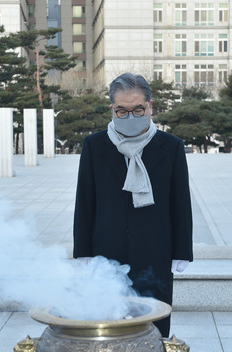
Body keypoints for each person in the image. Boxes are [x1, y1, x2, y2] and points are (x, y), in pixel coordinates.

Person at [73, 73, 193, 337]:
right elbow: (85, 200)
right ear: (112, 109)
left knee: (153, 328)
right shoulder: (95, 145)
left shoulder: (171, 146)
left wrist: (182, 250)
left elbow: (180, 202)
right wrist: (82, 250)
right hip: (105, 252)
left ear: (150, 106)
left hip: (155, 251)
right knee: (108, 327)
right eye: (122, 111)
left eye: (138, 109)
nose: (131, 116)